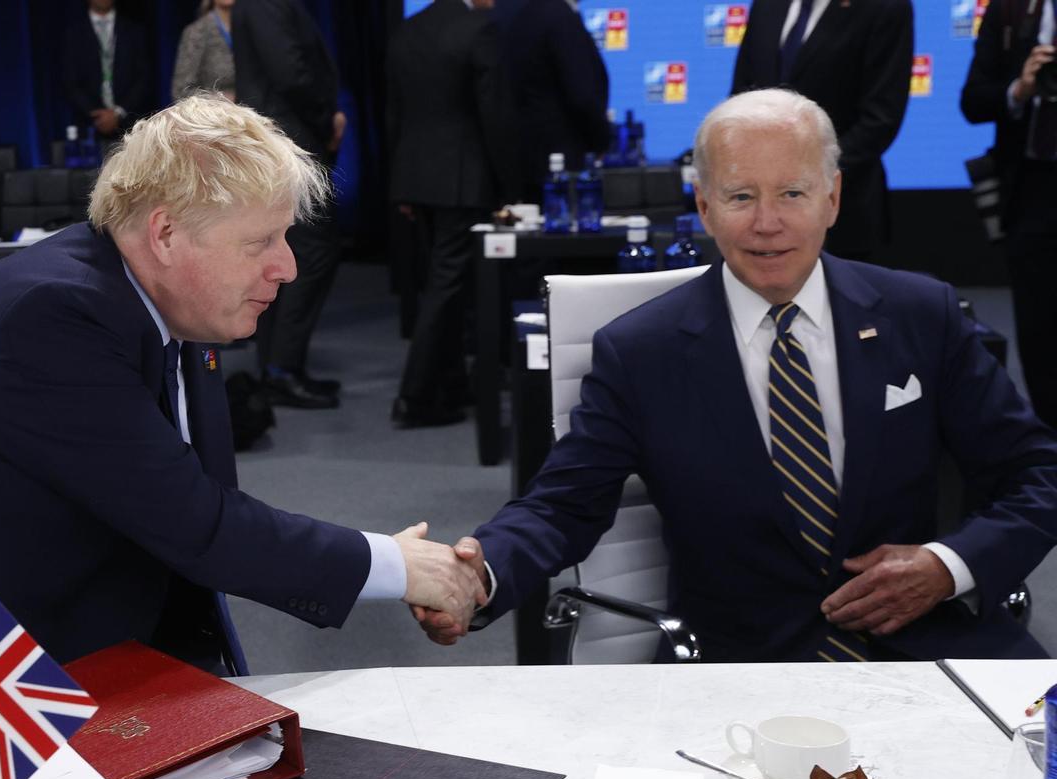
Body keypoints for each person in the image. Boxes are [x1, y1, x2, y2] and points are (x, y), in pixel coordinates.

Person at [0, 95, 485, 697]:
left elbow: (195, 512)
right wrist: (402, 567)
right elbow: (196, 522)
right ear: (165, 234)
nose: (287, 267)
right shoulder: (51, 315)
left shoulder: (172, 303)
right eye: (260, 241)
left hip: (80, 625)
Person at [416, 89, 1057, 662]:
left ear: (832, 198)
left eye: (793, 193)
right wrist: (480, 574)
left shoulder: (922, 314)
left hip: (921, 639)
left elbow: (1039, 473)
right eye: (741, 196)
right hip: (740, 664)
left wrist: (948, 568)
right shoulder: (641, 350)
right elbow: (562, 506)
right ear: (704, 205)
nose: (767, 223)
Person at [386, 0, 513, 427]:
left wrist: (399, 182)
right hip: (464, 178)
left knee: (443, 289)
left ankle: (453, 386)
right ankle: (414, 398)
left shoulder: (408, 28)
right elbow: (493, 114)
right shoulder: (481, 29)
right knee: (447, 289)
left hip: (415, 177)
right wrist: (507, 186)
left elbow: (394, 112)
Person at [731, 0, 912, 261]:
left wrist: (802, 177)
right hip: (759, 210)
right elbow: (740, 98)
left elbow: (880, 119)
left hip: (844, 207)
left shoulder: (883, 7)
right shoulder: (767, 5)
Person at [232, 0, 347, 409]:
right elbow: (292, 74)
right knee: (311, 252)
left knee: (287, 252)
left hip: (282, 138)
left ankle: (278, 367)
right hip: (289, 140)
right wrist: (326, 118)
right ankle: (281, 369)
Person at [960, 0, 1057, 431]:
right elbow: (973, 101)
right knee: (1038, 334)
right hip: (1031, 189)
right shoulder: (1012, 10)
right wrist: (1021, 88)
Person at [503, 0, 611, 203]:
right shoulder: (558, 16)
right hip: (559, 162)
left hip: (533, 157)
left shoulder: (534, 12)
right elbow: (582, 94)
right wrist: (602, 141)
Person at [62, 0, 151, 142]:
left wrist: (118, 112)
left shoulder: (134, 30)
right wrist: (96, 114)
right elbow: (70, 81)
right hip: (88, 126)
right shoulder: (73, 32)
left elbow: (143, 78)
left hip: (130, 125)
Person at [172, 0, 237, 101]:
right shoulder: (197, 32)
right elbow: (180, 91)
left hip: (254, 110)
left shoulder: (253, 27)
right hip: (215, 113)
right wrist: (220, 99)